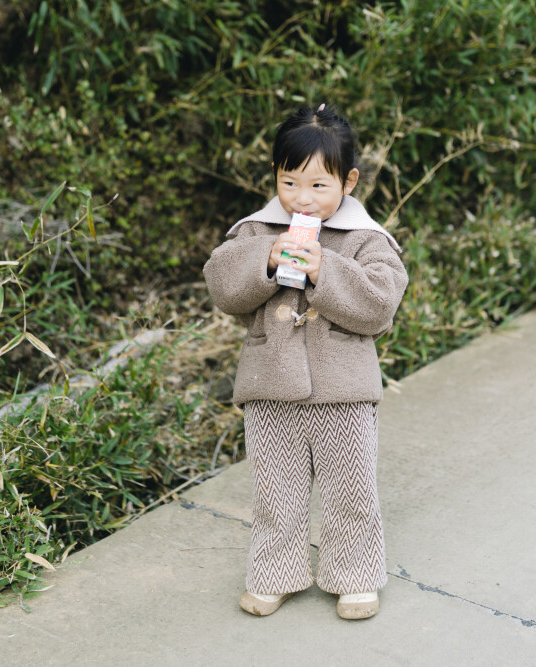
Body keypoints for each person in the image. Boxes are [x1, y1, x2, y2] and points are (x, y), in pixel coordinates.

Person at [203, 104, 408, 620]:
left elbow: (382, 302)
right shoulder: (255, 231)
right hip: (270, 385)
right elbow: (223, 285)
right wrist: (266, 259)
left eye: (320, 186)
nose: (302, 198)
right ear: (276, 175)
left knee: (351, 487)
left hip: (345, 390)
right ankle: (276, 572)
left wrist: (327, 271)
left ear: (349, 180)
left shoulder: (366, 238)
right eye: (289, 182)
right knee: (276, 491)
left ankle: (356, 575)